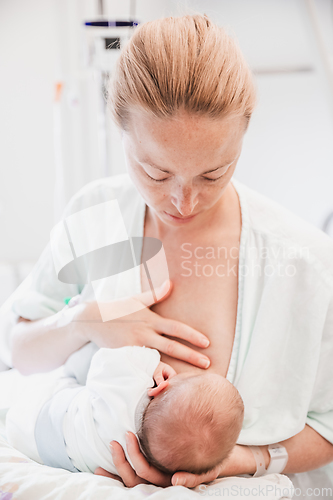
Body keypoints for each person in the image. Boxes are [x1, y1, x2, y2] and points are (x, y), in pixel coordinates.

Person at [0, 13, 332, 495]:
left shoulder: (304, 265)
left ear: (244, 135)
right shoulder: (100, 217)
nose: (183, 201)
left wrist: (245, 459)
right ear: (121, 131)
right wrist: (84, 322)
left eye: (212, 174)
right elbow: (18, 350)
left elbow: (328, 424)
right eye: (155, 173)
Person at [6, 345, 244, 476]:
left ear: (161, 386)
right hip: (40, 452)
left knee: (70, 375)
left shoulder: (129, 382)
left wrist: (152, 363)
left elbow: (103, 359)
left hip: (40, 413)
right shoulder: (138, 462)